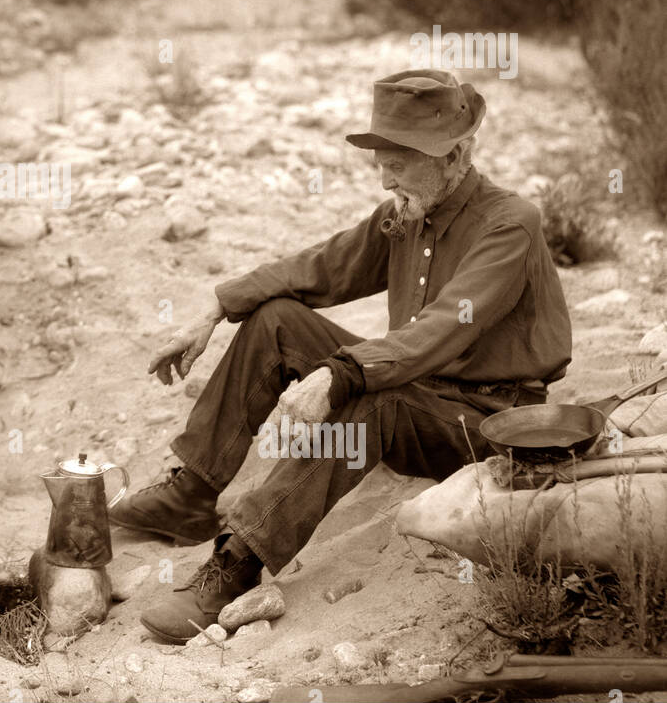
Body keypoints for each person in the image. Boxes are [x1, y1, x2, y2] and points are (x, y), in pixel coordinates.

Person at [112, 68, 573, 643]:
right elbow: (319, 267)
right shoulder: (408, 210)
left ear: (456, 155)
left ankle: (236, 563)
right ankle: (192, 492)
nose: (384, 178)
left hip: (482, 420)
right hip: (416, 386)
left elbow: (439, 330)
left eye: (399, 159)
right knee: (277, 318)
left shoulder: (511, 223)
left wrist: (341, 372)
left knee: (376, 392)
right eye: (380, 159)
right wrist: (216, 305)